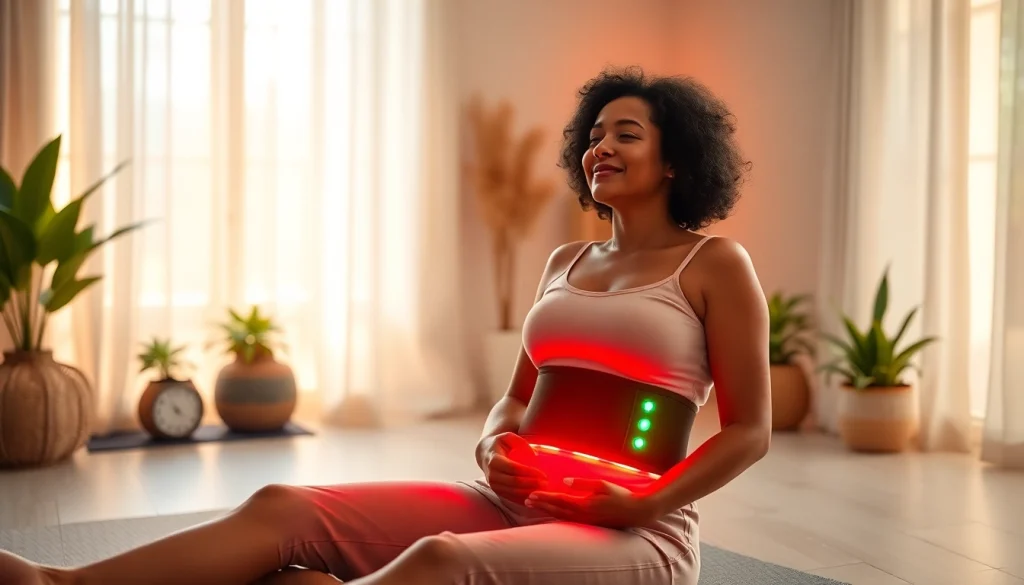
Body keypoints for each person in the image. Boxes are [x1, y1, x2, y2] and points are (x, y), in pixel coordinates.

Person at [0, 66, 770, 585]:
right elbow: (516, 395)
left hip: (637, 534)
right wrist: (493, 442)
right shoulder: (565, 261)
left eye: (626, 134)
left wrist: (644, 504)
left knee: (440, 560)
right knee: (283, 505)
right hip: (512, 499)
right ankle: (62, 582)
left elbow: (749, 431)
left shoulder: (714, 264)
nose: (601, 146)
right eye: (595, 134)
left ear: (676, 160)